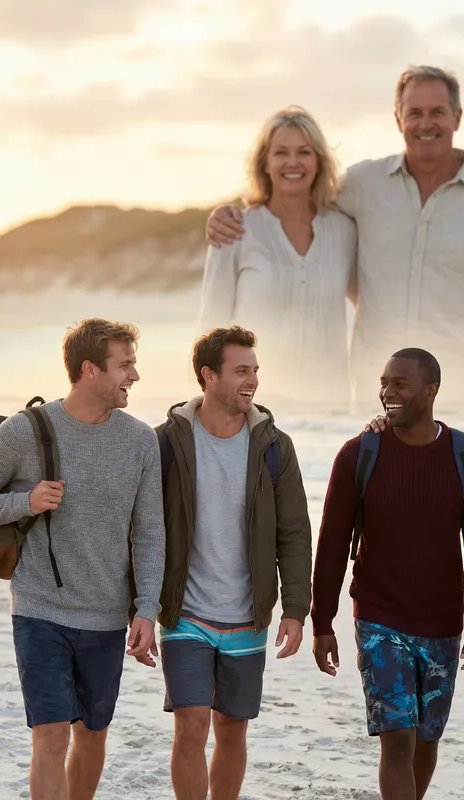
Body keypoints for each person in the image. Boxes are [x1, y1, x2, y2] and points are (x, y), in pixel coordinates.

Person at [206, 66, 464, 413]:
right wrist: (224, 214)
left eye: (437, 112)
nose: (425, 124)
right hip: (375, 394)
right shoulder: (363, 184)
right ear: (398, 119)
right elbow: (297, 195)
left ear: (457, 117)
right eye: (414, 113)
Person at [0, 318, 165, 800]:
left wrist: (147, 608)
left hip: (107, 615)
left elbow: (151, 531)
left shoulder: (140, 440)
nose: (134, 375)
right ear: (90, 370)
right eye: (125, 365)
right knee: (50, 734)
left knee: (92, 733)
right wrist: (24, 503)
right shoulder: (27, 430)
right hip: (39, 609)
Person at [311, 347, 464, 800]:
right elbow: (333, 544)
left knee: (427, 738)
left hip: (441, 621)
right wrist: (322, 621)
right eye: (384, 382)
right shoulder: (360, 453)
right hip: (379, 617)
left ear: (431, 390)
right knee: (397, 740)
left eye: (400, 383)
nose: (387, 392)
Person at [155, 325, 313, 800]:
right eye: (241, 370)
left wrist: (295, 609)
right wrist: (139, 608)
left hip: (248, 616)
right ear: (208, 375)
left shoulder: (273, 446)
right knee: (191, 726)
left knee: (232, 731)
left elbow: (295, 531)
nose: (253, 381)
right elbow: (141, 530)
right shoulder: (167, 442)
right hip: (185, 613)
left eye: (256, 371)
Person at [197, 105, 357, 409]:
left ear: (319, 162)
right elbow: (210, 326)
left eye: (304, 152)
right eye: (281, 152)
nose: (292, 162)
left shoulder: (345, 230)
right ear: (265, 163)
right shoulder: (235, 230)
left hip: (330, 412)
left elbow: (373, 301)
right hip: (254, 408)